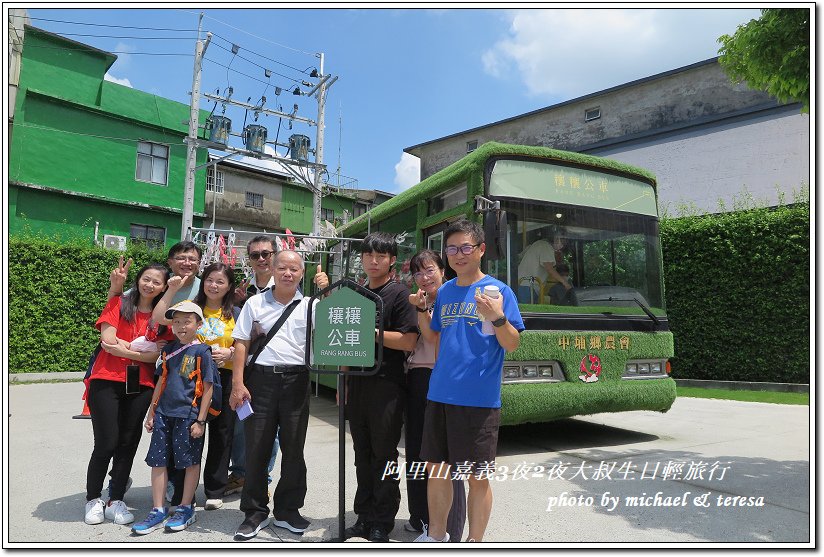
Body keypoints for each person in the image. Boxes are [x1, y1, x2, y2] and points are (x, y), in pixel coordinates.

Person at [414, 219, 524, 543]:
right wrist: (422, 310)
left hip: (478, 400)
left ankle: (475, 543)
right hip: (440, 393)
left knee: (477, 478)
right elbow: (433, 337)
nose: (458, 255)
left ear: (481, 250)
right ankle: (436, 536)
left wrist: (497, 316)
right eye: (452, 248)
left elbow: (513, 343)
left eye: (465, 247)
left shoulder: (499, 292)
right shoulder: (445, 291)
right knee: (437, 469)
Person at [229, 250, 323, 541]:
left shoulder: (312, 305)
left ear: (301, 274)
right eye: (282, 267)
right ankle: (254, 512)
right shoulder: (255, 302)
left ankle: (288, 510)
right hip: (261, 381)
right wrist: (237, 383)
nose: (287, 273)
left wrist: (327, 292)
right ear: (272, 269)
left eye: (294, 269)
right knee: (257, 448)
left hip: (297, 380)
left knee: (294, 448)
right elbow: (241, 343)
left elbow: (335, 331)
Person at [341, 232, 418, 543]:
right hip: (357, 384)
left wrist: (371, 332)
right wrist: (343, 379)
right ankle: (363, 515)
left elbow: (409, 341)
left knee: (384, 455)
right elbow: (345, 338)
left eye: (381, 256)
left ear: (391, 261)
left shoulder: (400, 294)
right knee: (362, 453)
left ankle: (382, 520)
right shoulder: (356, 293)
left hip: (387, 385)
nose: (373, 260)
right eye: (368, 255)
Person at [84, 263, 172, 527]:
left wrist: (126, 351)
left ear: (164, 287)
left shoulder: (162, 317)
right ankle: (92, 499)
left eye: (157, 282)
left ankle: (116, 499)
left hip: (141, 384)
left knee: (128, 443)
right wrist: (140, 352)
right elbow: (107, 339)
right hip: (106, 381)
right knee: (106, 443)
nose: (150, 285)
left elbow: (156, 355)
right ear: (139, 279)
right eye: (147, 279)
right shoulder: (119, 304)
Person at [152, 262, 239, 511]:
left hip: (224, 377)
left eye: (221, 281)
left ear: (229, 286)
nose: (214, 285)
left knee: (222, 434)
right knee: (184, 432)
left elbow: (246, 343)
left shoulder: (236, 312)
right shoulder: (191, 309)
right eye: (210, 280)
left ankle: (214, 489)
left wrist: (231, 352)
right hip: (187, 379)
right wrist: (170, 289)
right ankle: (180, 490)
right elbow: (159, 318)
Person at [131, 301, 216, 535]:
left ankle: (186, 507)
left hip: (188, 417)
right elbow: (161, 381)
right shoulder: (167, 350)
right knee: (158, 461)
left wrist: (200, 421)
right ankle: (158, 510)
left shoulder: (202, 351)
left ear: (198, 324)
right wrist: (151, 413)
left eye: (186, 321)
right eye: (176, 322)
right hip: (163, 415)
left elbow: (208, 388)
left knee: (189, 462)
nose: (181, 326)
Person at [405, 250, 467, 542]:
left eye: (429, 270)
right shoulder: (414, 299)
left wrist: (422, 311)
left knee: (448, 457)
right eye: (418, 272)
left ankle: (450, 529)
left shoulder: (453, 297)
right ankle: (421, 518)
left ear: (442, 270)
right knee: (418, 452)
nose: (424, 277)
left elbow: (436, 338)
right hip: (417, 378)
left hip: (445, 379)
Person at [226, 235, 281, 498]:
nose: (261, 259)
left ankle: (263, 477)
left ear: (275, 255)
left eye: (266, 254)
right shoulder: (243, 292)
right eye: (255, 255)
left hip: (273, 369)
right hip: (245, 367)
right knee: (242, 422)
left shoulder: (288, 286)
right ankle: (239, 473)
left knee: (272, 428)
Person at [516, 233, 571, 303]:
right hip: (527, 286)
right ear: (555, 239)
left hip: (525, 285)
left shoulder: (538, 245)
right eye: (562, 240)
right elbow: (550, 269)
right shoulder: (545, 246)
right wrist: (565, 283)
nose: (562, 244)